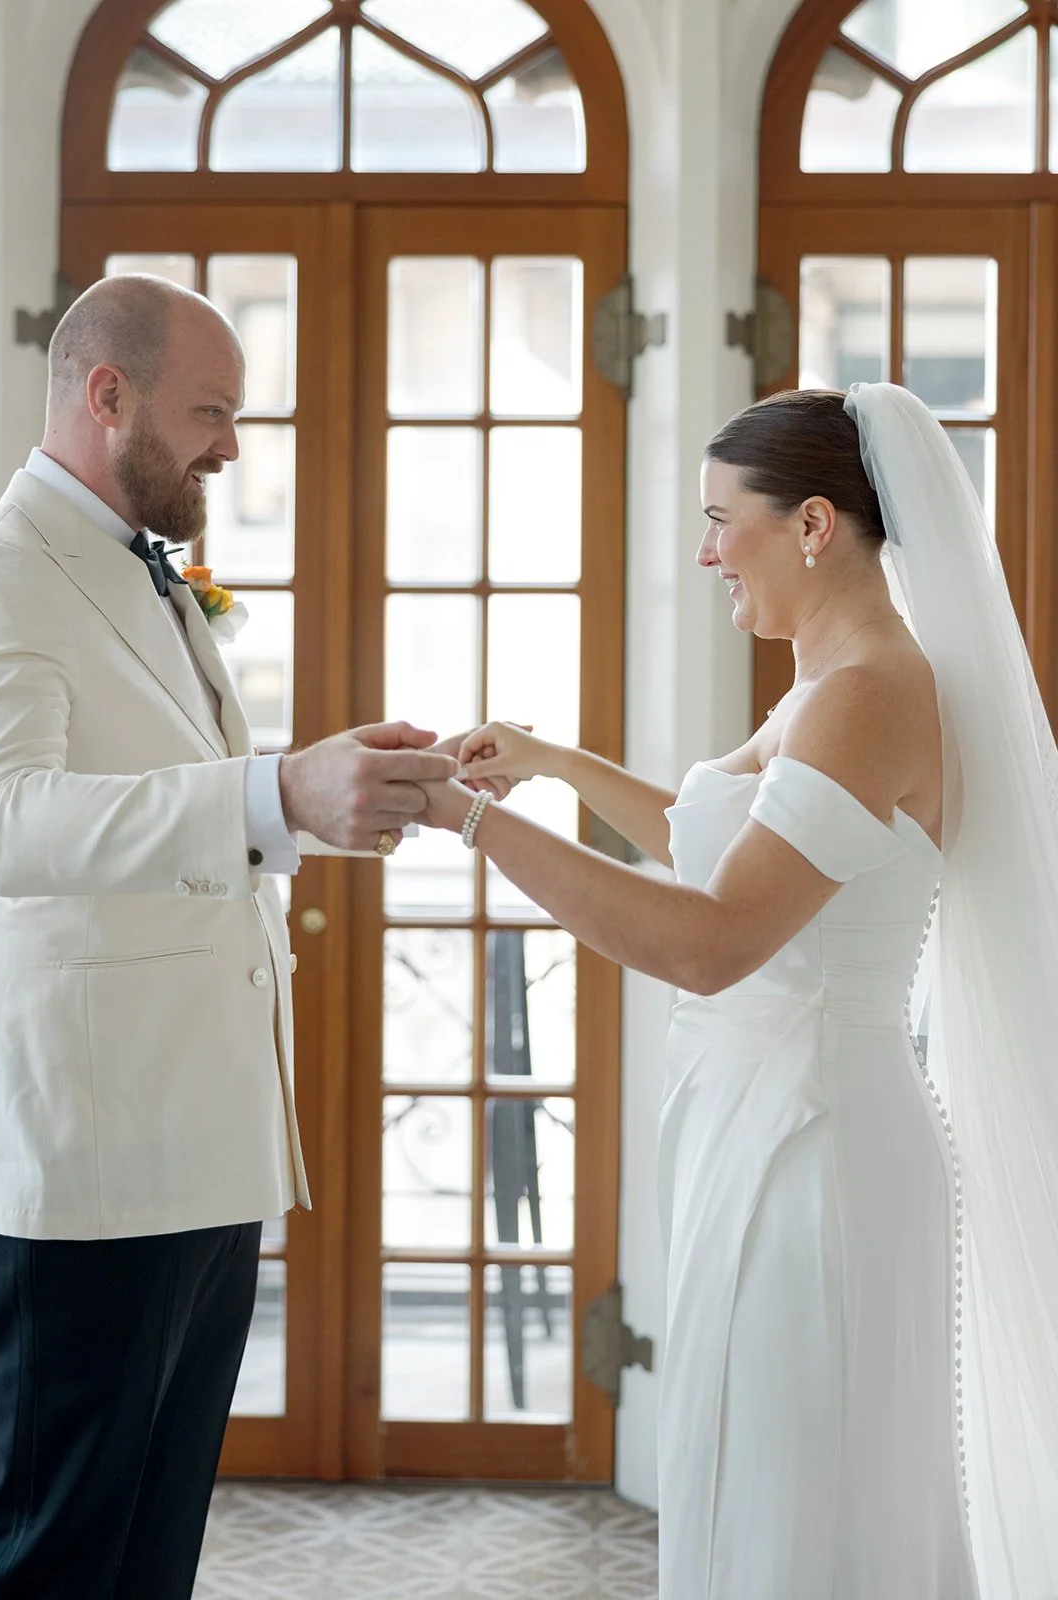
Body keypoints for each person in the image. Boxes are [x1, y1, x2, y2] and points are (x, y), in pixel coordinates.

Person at [421, 385, 1058, 1598]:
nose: (707, 551)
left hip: (820, 1152)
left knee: (800, 1502)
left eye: (723, 520)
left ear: (813, 524)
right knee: (758, 1478)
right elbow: (710, 840)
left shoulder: (870, 692)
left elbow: (714, 940)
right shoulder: (831, 683)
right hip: (769, 1127)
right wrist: (550, 765)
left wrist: (471, 822)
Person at [0, 273, 458, 1599]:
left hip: (196, 1143)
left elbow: (168, 798)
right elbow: (10, 829)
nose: (231, 445)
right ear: (108, 396)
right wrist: (273, 792)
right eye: (211, 411)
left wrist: (324, 799)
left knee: (147, 1549)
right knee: (53, 1552)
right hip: (82, 1158)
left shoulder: (146, 572)